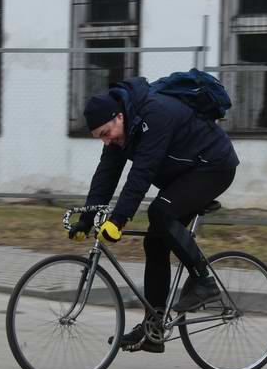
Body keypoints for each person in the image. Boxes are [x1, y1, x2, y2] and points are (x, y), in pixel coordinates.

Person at [68, 77, 239, 353]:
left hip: (213, 166)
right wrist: (88, 217)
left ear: (119, 116)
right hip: (183, 173)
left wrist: (118, 220)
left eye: (106, 132)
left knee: (160, 212)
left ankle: (204, 282)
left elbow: (142, 172)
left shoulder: (155, 113)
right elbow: (106, 174)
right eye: (100, 137)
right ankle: (154, 327)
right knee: (154, 241)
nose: (106, 140)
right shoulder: (121, 132)